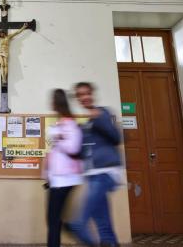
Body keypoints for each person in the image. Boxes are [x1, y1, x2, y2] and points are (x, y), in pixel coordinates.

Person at [65, 82, 122, 247]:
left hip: (106, 172)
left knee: (84, 215)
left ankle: (79, 224)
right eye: (80, 95)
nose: (84, 97)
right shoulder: (87, 124)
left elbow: (116, 137)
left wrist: (99, 118)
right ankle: (109, 243)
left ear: (92, 94)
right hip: (92, 173)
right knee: (102, 220)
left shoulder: (102, 113)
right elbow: (81, 153)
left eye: (87, 93)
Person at [43, 89, 83, 247]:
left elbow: (73, 147)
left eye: (52, 100)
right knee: (54, 218)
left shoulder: (69, 123)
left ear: (57, 102)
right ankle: (74, 228)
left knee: (53, 219)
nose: (50, 103)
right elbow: (57, 151)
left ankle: (77, 229)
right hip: (58, 179)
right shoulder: (61, 123)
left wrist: (57, 137)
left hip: (65, 178)